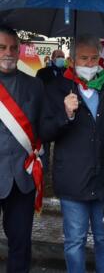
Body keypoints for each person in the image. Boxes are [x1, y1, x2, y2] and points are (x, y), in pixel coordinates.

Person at [41, 34, 104, 273]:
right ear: (72, 60)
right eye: (83, 58)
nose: (89, 63)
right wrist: (66, 114)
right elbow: (45, 132)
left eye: (94, 58)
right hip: (72, 180)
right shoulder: (57, 88)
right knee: (75, 242)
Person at [0, 26, 45, 272]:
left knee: (20, 244)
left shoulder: (35, 86)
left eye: (12, 48)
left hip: (22, 178)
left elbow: (43, 129)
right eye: (2, 48)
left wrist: (40, 157)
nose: (8, 53)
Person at [36, 49, 66, 175]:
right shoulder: (42, 72)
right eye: (59, 56)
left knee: (64, 143)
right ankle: (44, 171)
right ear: (53, 58)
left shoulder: (67, 72)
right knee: (45, 144)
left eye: (62, 57)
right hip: (47, 112)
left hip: (62, 113)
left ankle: (62, 170)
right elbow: (37, 90)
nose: (61, 59)